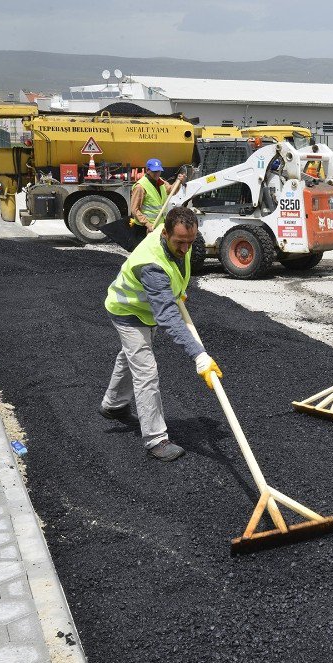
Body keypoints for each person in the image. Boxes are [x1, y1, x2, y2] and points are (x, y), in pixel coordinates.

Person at [100, 206, 222, 461]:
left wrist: (176, 291)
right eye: (180, 242)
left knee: (131, 356)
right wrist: (198, 355)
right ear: (165, 234)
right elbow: (167, 316)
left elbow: (176, 269)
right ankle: (156, 440)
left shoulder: (180, 239)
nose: (186, 249)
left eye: (191, 241)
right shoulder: (151, 264)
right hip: (128, 310)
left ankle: (113, 405)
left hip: (146, 310)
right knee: (145, 371)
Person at [130, 158, 184, 232]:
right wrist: (147, 224)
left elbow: (172, 191)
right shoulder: (140, 186)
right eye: (154, 171)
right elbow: (134, 210)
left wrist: (178, 181)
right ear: (147, 170)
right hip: (144, 228)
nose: (157, 173)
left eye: (159, 171)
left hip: (159, 225)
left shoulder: (161, 181)